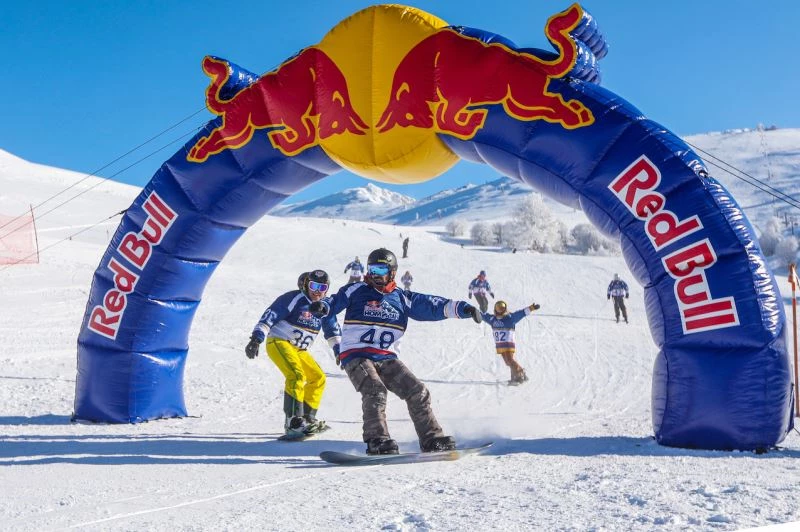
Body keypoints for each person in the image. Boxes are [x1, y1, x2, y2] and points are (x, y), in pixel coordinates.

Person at [312, 248, 482, 455]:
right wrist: (323, 306)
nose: (375, 274)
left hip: (386, 357)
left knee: (418, 391)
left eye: (381, 269)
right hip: (356, 354)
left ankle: (431, 439)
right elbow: (334, 301)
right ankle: (377, 440)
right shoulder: (356, 289)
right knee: (375, 390)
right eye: (372, 268)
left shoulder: (402, 298)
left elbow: (432, 305)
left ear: (392, 271)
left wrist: (465, 309)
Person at [245, 270, 341, 437]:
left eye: (322, 287)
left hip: (299, 349)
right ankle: (293, 420)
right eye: (314, 286)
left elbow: (332, 331)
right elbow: (271, 315)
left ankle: (308, 418)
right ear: (306, 285)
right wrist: (256, 338)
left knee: (318, 377)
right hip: (280, 341)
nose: (317, 291)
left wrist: (339, 350)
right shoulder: (295, 298)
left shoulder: (325, 307)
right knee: (297, 375)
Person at [482, 300, 540, 384]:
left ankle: (520, 373)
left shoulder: (510, 318)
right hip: (500, 345)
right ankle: (514, 377)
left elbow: (521, 313)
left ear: (505, 309)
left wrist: (531, 308)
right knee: (508, 362)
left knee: (510, 360)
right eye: (498, 308)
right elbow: (482, 315)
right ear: (495, 309)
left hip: (508, 343)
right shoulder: (492, 319)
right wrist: (472, 311)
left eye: (502, 308)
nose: (500, 310)